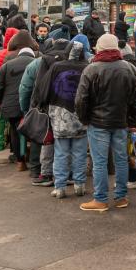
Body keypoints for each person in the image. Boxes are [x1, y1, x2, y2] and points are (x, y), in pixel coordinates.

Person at [75, 34, 136, 212]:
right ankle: (121, 197)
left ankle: (101, 199)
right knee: (121, 160)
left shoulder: (91, 69)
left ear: (99, 48)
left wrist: (84, 119)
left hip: (97, 123)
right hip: (121, 122)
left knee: (100, 162)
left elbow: (81, 100)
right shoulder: (129, 68)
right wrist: (133, 122)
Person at [37, 38, 91, 199]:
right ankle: (79, 184)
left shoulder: (56, 67)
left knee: (60, 152)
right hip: (81, 116)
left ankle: (59, 187)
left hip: (60, 115)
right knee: (80, 152)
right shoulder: (88, 68)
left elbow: (44, 90)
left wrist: (43, 105)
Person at [0, 31, 41, 178]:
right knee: (36, 131)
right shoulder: (39, 60)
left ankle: (20, 161)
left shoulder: (7, 62)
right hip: (34, 104)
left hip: (11, 104)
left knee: (15, 131)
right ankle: (34, 161)